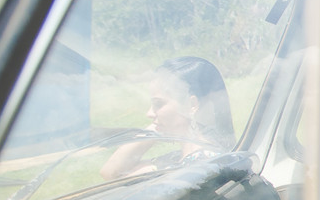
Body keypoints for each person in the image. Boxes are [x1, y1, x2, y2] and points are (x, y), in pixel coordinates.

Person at [101, 56, 236, 179]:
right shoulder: (185, 159)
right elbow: (110, 172)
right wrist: (155, 128)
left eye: (158, 104)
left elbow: (112, 174)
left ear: (191, 105)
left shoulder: (199, 166)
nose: (149, 113)